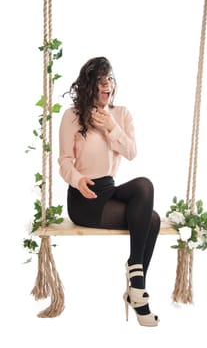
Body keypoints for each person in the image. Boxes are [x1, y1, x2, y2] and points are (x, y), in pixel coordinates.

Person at [58, 56, 160, 327]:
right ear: (90, 85)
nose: (108, 86)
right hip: (84, 197)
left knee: (145, 189)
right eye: (101, 81)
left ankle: (135, 284)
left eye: (110, 79)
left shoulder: (122, 114)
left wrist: (111, 127)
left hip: (108, 188)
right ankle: (138, 291)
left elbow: (131, 152)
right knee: (151, 220)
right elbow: (65, 161)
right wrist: (77, 180)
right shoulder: (72, 116)